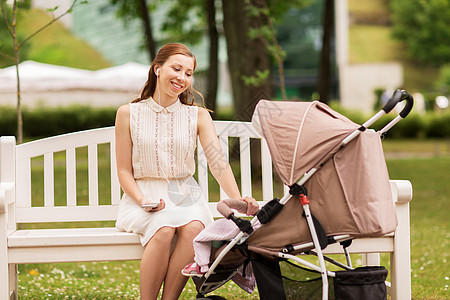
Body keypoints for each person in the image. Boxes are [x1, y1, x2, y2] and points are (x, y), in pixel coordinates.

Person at [114, 43, 259, 300]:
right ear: (157, 69)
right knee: (163, 228)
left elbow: (218, 163)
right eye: (176, 69)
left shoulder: (198, 116)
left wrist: (237, 199)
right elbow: (124, 170)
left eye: (188, 73)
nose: (182, 77)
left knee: (193, 229)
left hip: (185, 194)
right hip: (143, 193)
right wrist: (142, 199)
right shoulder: (128, 113)